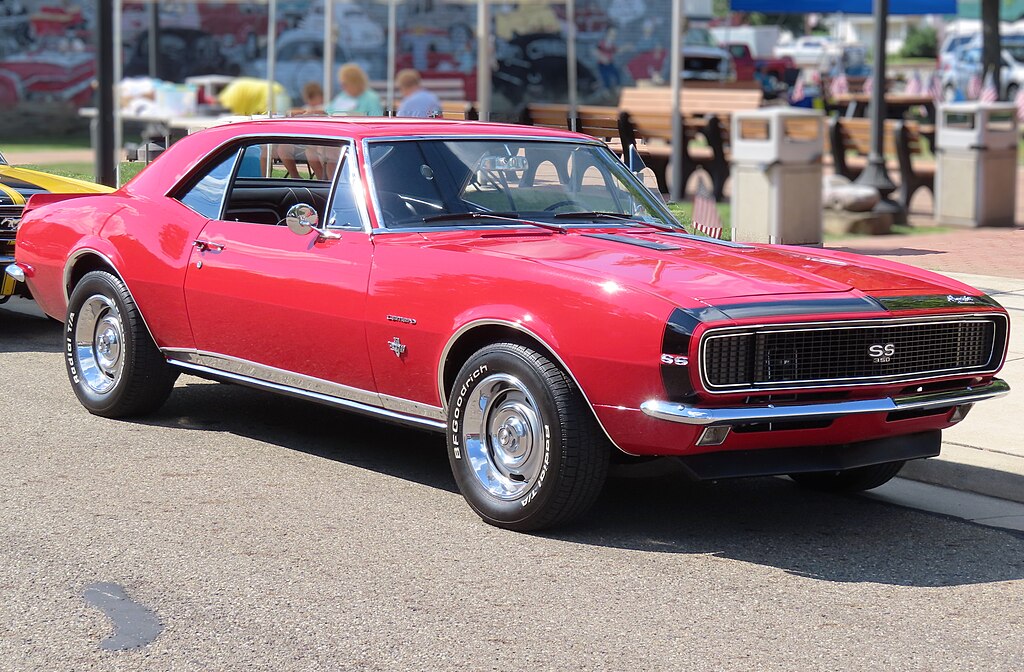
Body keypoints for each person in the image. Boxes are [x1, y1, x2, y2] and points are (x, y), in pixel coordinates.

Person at [278, 82, 327, 178]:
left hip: (321, 142)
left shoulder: (326, 108)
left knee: (311, 152)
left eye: (314, 97)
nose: (312, 101)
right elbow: (296, 111)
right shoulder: (306, 109)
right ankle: (295, 177)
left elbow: (320, 111)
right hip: (303, 141)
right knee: (282, 148)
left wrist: (307, 113)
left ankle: (322, 180)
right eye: (310, 98)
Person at [217, 76, 291, 115]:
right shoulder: (231, 89)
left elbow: (235, 118)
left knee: (271, 122)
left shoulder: (227, 100)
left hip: (269, 94)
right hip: (276, 88)